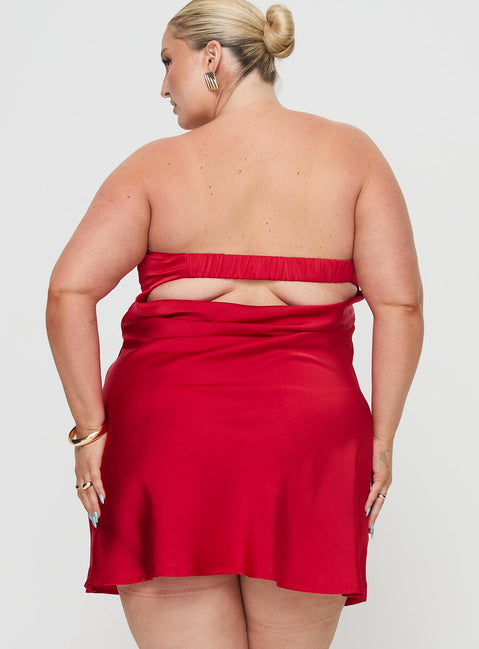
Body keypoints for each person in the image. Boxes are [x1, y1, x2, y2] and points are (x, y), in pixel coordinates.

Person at [45, 1, 424, 647]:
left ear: (212, 58)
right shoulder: (352, 155)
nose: (163, 85)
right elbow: (401, 306)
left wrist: (90, 431)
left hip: (167, 436)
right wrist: (382, 440)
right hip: (308, 437)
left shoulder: (154, 167)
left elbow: (67, 291)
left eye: (168, 61)